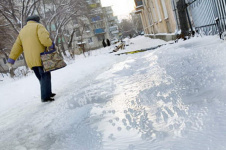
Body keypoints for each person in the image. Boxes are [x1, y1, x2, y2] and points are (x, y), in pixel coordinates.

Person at [7, 15, 56, 102]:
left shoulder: (22, 31)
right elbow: (44, 40)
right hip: (41, 57)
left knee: (41, 77)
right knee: (45, 75)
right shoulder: (38, 26)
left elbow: (17, 47)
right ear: (37, 20)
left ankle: (47, 92)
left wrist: (11, 59)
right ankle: (45, 96)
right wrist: (52, 45)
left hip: (30, 60)